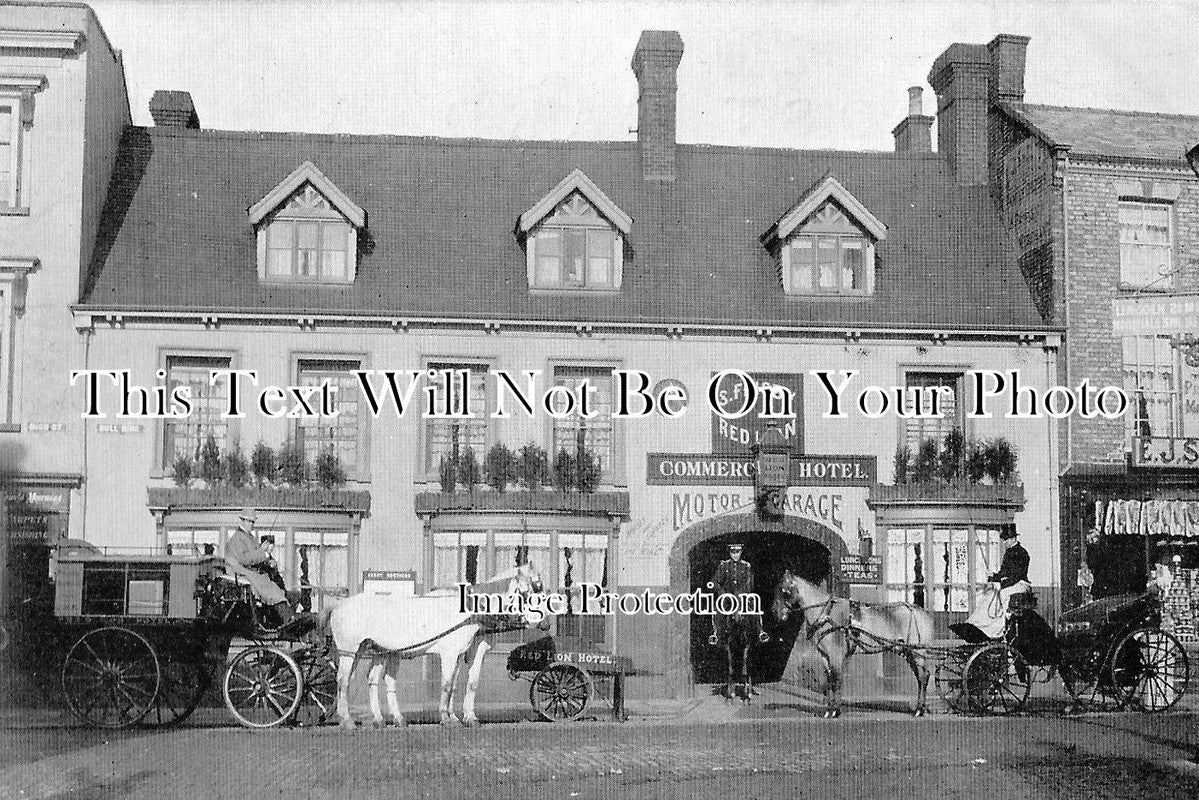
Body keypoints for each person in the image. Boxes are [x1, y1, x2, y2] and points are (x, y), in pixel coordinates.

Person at [224, 507, 299, 629]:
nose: (251, 525)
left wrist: (269, 561)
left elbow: (256, 558)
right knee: (268, 586)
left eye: (253, 522)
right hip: (241, 572)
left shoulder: (250, 538)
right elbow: (245, 560)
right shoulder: (236, 539)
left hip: (250, 571)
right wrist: (263, 552)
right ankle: (287, 618)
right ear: (241, 521)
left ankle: (282, 618)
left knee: (275, 582)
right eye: (249, 521)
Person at [709, 543, 770, 645]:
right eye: (733, 552)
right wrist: (723, 593)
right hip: (728, 596)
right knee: (718, 608)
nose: (735, 554)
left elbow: (750, 582)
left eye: (737, 552)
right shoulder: (724, 566)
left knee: (753, 607)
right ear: (730, 553)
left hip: (742, 595)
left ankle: (760, 631)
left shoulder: (746, 566)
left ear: (741, 552)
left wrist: (742, 593)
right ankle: (716, 633)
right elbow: (716, 581)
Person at [989, 525, 1032, 616]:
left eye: (1006, 539)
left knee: (1004, 593)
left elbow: (1016, 576)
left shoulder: (1021, 553)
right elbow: (1004, 572)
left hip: (1020, 583)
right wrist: (993, 576)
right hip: (1012, 582)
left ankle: (1007, 620)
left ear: (1013, 539)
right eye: (1004, 540)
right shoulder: (1009, 552)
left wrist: (1001, 584)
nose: (1004, 542)